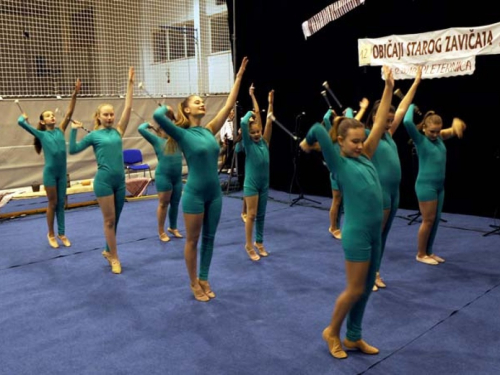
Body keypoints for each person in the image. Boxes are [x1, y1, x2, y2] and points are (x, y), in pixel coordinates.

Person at [300, 66, 394, 359]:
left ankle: (354, 337)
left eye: (361, 140)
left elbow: (379, 122)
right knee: (354, 289)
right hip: (355, 234)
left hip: (374, 232)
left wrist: (389, 86)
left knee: (366, 288)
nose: (360, 144)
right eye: (354, 141)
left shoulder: (365, 153)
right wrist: (307, 143)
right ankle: (332, 331)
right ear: (340, 142)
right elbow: (317, 129)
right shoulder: (339, 163)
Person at [153, 57, 249, 302]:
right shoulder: (181, 133)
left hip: (215, 194)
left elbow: (228, 106)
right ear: (187, 109)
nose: (202, 104)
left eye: (203, 102)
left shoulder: (209, 130)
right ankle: (193, 282)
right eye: (197, 102)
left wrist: (238, 78)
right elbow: (157, 114)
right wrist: (169, 111)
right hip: (194, 194)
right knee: (193, 240)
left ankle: (204, 277)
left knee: (210, 238)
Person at [69, 67, 135, 274]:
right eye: (106, 114)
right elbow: (73, 150)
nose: (110, 117)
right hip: (104, 182)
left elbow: (128, 108)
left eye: (111, 114)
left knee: (117, 220)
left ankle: (108, 250)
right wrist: (72, 132)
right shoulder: (93, 136)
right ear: (98, 117)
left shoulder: (118, 131)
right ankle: (114, 257)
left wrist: (130, 83)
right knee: (109, 220)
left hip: (120, 182)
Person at [365, 66, 422, 290]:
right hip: (380, 193)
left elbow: (401, 108)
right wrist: (387, 86)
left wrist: (415, 83)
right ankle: (368, 274)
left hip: (394, 193)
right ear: (377, 119)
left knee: (384, 235)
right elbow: (385, 117)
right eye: (385, 121)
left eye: (391, 121)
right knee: (375, 236)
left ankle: (375, 271)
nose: (390, 124)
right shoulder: (372, 136)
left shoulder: (387, 134)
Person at [17, 78, 81, 248]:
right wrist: (23, 117)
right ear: (43, 122)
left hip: (62, 174)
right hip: (50, 175)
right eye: (48, 115)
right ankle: (51, 234)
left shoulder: (60, 130)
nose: (52, 116)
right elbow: (20, 123)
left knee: (62, 203)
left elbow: (69, 113)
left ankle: (62, 233)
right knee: (52, 203)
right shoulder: (41, 134)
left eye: (52, 114)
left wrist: (74, 94)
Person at [403, 103, 466, 265]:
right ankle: (421, 253)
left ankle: (429, 251)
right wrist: (410, 105)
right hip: (425, 186)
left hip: (439, 187)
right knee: (428, 220)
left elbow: (457, 128)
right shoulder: (420, 140)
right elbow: (407, 122)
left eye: (438, 131)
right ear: (424, 128)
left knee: (436, 219)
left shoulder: (440, 137)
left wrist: (458, 123)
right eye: (432, 131)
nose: (435, 135)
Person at [137, 111, 183, 242]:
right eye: (166, 128)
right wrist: (149, 125)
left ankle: (173, 227)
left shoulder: (178, 140)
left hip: (177, 177)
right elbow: (140, 129)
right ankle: (161, 230)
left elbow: (183, 126)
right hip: (164, 177)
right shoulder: (156, 140)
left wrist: (174, 117)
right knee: (164, 204)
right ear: (160, 130)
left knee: (175, 203)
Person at [240, 88, 274, 261]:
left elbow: (268, 122)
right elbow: (244, 123)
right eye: (252, 133)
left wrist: (270, 103)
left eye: (257, 132)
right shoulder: (248, 144)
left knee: (261, 215)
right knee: (251, 215)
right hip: (251, 184)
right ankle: (248, 244)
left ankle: (259, 242)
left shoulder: (265, 143)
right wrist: (250, 115)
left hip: (264, 184)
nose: (255, 134)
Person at [219, 108, 235, 173]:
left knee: (234, 154)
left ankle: (234, 166)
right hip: (228, 140)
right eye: (231, 113)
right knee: (228, 154)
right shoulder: (225, 122)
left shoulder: (234, 121)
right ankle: (229, 167)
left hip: (234, 140)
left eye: (233, 113)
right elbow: (222, 131)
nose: (232, 114)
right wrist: (223, 140)